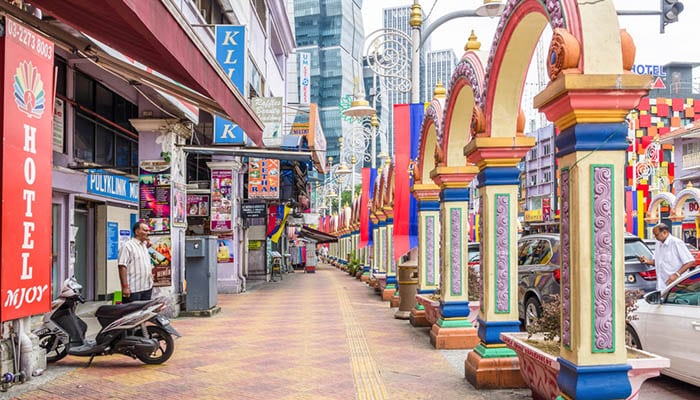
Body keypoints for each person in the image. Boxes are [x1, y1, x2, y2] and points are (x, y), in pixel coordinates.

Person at [638, 223, 695, 291]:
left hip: (676, 285)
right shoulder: (658, 244)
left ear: (664, 232)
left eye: (656, 235)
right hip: (661, 285)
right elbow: (658, 262)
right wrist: (647, 261)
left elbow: (690, 261)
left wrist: (676, 274)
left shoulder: (676, 243)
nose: (655, 237)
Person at [118, 221, 154, 303]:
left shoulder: (144, 245)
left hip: (147, 287)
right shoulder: (127, 246)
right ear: (137, 232)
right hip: (133, 289)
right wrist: (125, 287)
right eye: (145, 230)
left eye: (148, 231)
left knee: (144, 314)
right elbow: (122, 266)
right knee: (132, 314)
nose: (148, 233)